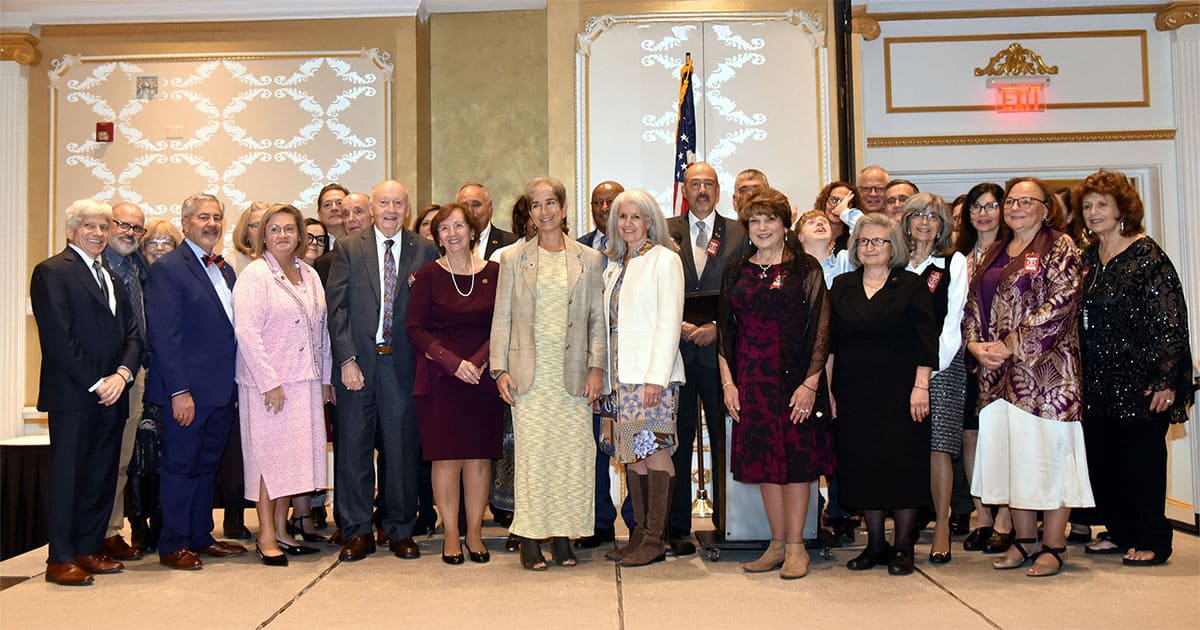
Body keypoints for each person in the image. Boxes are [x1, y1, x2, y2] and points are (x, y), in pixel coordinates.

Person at [963, 177, 1094, 578]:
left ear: (1045, 208)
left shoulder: (1059, 246)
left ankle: (1053, 545)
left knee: (1049, 459)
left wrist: (1012, 342)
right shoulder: (996, 250)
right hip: (996, 376)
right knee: (1011, 459)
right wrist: (975, 345)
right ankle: (1023, 539)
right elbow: (972, 304)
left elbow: (1063, 301)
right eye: (1012, 201)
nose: (1016, 207)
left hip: (1047, 377)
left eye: (1026, 201)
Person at [1074, 170, 1194, 566]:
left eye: (1102, 205)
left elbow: (1171, 324)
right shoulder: (1091, 256)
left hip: (1142, 382)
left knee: (1142, 463)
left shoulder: (1147, 256)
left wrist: (1166, 381)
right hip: (1098, 381)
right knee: (1106, 462)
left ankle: (1154, 540)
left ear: (1123, 209)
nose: (1093, 213)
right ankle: (1121, 530)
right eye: (1088, 206)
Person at [490, 176, 606, 571]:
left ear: (563, 207)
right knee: (534, 457)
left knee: (572, 456)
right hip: (530, 378)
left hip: (572, 376)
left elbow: (596, 321)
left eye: (550, 203)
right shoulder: (512, 258)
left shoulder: (588, 259)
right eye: (536, 205)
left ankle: (562, 535)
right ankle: (529, 536)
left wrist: (597, 369)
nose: (544, 211)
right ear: (531, 212)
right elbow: (502, 317)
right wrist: (499, 369)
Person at [717, 189, 833, 580]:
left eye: (770, 220)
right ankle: (778, 543)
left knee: (798, 466)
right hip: (752, 381)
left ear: (785, 225)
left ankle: (797, 547)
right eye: (755, 221)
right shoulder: (736, 270)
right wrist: (728, 384)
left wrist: (811, 384)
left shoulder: (807, 269)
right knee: (766, 463)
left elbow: (822, 329)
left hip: (794, 382)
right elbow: (725, 335)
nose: (762, 227)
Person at [31, 199, 143, 586]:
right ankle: (59, 558)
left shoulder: (110, 275)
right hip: (75, 396)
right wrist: (99, 382)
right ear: (70, 230)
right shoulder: (51, 272)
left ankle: (87, 548)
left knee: (100, 475)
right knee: (70, 477)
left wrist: (123, 374)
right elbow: (59, 339)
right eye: (88, 226)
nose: (97, 233)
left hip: (114, 393)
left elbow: (132, 334)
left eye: (102, 226)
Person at [326, 180, 438, 561]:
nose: (391, 209)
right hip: (357, 365)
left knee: (401, 451)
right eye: (384, 202)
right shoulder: (347, 249)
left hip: (403, 365)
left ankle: (399, 528)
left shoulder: (424, 249)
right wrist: (345, 360)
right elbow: (337, 310)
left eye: (399, 203)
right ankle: (357, 530)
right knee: (354, 450)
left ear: (407, 209)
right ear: (371, 208)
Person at [830, 212, 938, 576]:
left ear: (894, 247)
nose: (870, 247)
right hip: (853, 391)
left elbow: (927, 341)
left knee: (902, 464)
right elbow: (830, 343)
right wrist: (828, 390)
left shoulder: (910, 284)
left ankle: (904, 546)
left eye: (878, 241)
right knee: (862, 465)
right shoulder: (842, 285)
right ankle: (875, 545)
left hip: (903, 392)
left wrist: (921, 386)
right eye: (863, 241)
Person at [144, 193, 248, 570]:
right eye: (203, 217)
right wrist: (179, 391)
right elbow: (165, 337)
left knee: (206, 466)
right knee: (180, 466)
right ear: (185, 223)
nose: (212, 224)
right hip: (186, 392)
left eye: (217, 217)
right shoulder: (169, 268)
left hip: (221, 390)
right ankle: (173, 543)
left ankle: (200, 536)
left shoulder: (225, 269)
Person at [232, 204, 332, 566]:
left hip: (304, 380)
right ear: (262, 236)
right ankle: (265, 535)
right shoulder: (256, 276)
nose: (282, 236)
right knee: (268, 461)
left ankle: (283, 531)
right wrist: (269, 381)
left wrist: (324, 378)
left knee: (291, 463)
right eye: (274, 229)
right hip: (269, 386)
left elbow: (321, 331)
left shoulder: (309, 274)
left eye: (289, 229)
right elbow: (246, 332)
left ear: (300, 234)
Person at [407, 202, 503, 565]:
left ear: (472, 230)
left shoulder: (494, 272)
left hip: (482, 377)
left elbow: (502, 323)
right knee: (445, 459)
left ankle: (475, 534)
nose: (453, 233)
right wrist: (453, 363)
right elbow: (415, 328)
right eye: (445, 228)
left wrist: (476, 363)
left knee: (479, 459)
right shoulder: (428, 274)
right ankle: (450, 533)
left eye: (459, 226)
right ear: (437, 236)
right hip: (440, 378)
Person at [597, 189, 685, 567]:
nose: (628, 223)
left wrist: (656, 378)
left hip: (652, 379)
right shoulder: (616, 264)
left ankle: (654, 538)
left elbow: (669, 322)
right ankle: (639, 536)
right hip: (622, 379)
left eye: (636, 216)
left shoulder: (664, 260)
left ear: (650, 221)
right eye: (622, 217)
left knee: (656, 453)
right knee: (633, 457)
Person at [665, 161, 749, 554]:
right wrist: (675, 323)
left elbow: (747, 290)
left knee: (724, 437)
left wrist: (720, 327)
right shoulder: (664, 230)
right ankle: (677, 525)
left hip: (722, 354)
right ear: (684, 189)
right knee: (678, 440)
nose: (701, 190)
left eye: (708, 184)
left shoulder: (740, 232)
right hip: (675, 352)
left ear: (718, 190)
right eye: (694, 183)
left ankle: (728, 519)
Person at [900, 194, 968, 564]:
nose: (925, 222)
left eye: (934, 216)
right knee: (904, 446)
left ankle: (942, 524)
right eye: (918, 215)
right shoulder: (895, 261)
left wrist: (928, 370)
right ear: (906, 221)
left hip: (941, 366)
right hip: (897, 369)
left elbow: (953, 319)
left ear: (943, 224)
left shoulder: (951, 262)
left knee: (938, 446)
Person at [953, 182, 1012, 553]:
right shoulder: (956, 255)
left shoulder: (1014, 252)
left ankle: (1005, 517)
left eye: (992, 205)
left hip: (1004, 358)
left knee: (1002, 437)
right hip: (963, 358)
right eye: (977, 206)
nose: (984, 213)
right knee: (970, 437)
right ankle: (983, 518)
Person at [127, 219, 183, 552]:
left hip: (167, 380)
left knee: (165, 457)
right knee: (135, 458)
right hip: (136, 378)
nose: (160, 247)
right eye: (153, 242)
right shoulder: (132, 281)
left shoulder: (175, 281)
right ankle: (137, 525)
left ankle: (162, 523)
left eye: (167, 242)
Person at [100, 201, 149, 563]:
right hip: (103, 376)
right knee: (102, 457)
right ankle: (97, 531)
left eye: (137, 228)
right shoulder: (95, 268)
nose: (129, 233)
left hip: (137, 372)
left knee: (123, 457)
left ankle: (111, 530)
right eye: (123, 225)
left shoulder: (137, 267)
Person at [576, 180, 625, 549]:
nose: (605, 206)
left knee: (635, 441)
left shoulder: (638, 247)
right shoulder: (576, 249)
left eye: (612, 201)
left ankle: (639, 521)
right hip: (590, 363)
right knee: (592, 444)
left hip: (630, 362)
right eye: (598, 201)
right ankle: (598, 521)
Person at [457, 183, 517, 259]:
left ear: (489, 206)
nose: (470, 211)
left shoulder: (511, 244)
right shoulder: (448, 244)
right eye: (464, 206)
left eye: (476, 205)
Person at [812, 181, 858, 253]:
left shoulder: (855, 239)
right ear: (824, 202)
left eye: (845, 202)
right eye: (834, 200)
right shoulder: (811, 235)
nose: (838, 206)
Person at [227, 201, 270, 275]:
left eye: (268, 223)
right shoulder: (232, 262)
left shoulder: (287, 260)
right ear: (245, 233)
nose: (263, 229)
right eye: (257, 225)